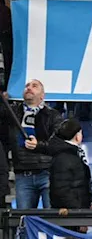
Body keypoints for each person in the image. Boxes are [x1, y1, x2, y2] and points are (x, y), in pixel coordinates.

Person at [11, 79, 62, 210]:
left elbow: (57, 143)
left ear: (42, 96)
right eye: (27, 85)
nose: (29, 88)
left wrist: (38, 145)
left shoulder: (53, 115)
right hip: (23, 173)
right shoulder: (12, 113)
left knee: (52, 221)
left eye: (34, 86)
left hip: (47, 173)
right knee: (24, 221)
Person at [37, 119, 91, 211]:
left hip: (76, 209)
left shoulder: (71, 154)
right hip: (70, 213)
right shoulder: (65, 156)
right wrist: (77, 209)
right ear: (77, 136)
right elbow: (61, 188)